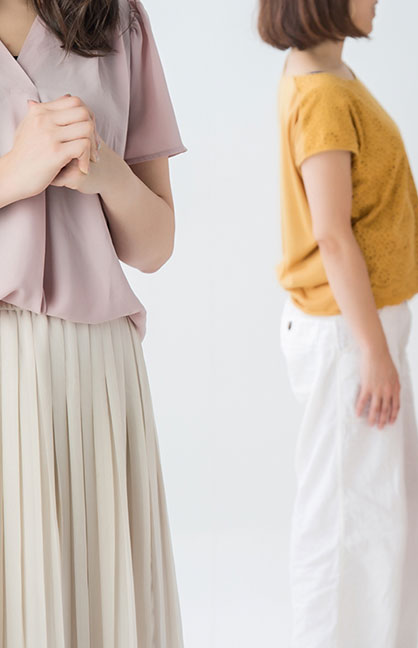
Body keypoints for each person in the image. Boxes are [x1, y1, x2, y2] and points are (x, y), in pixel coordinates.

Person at [0, 0, 186, 645]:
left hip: (96, 377)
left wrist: (111, 177)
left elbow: (155, 246)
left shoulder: (115, 17)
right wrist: (12, 173)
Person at [258, 1, 418, 645]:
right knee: (348, 529)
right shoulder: (324, 96)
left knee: (393, 513)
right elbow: (332, 236)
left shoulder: (325, 75)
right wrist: (373, 351)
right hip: (348, 338)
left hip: (359, 332)